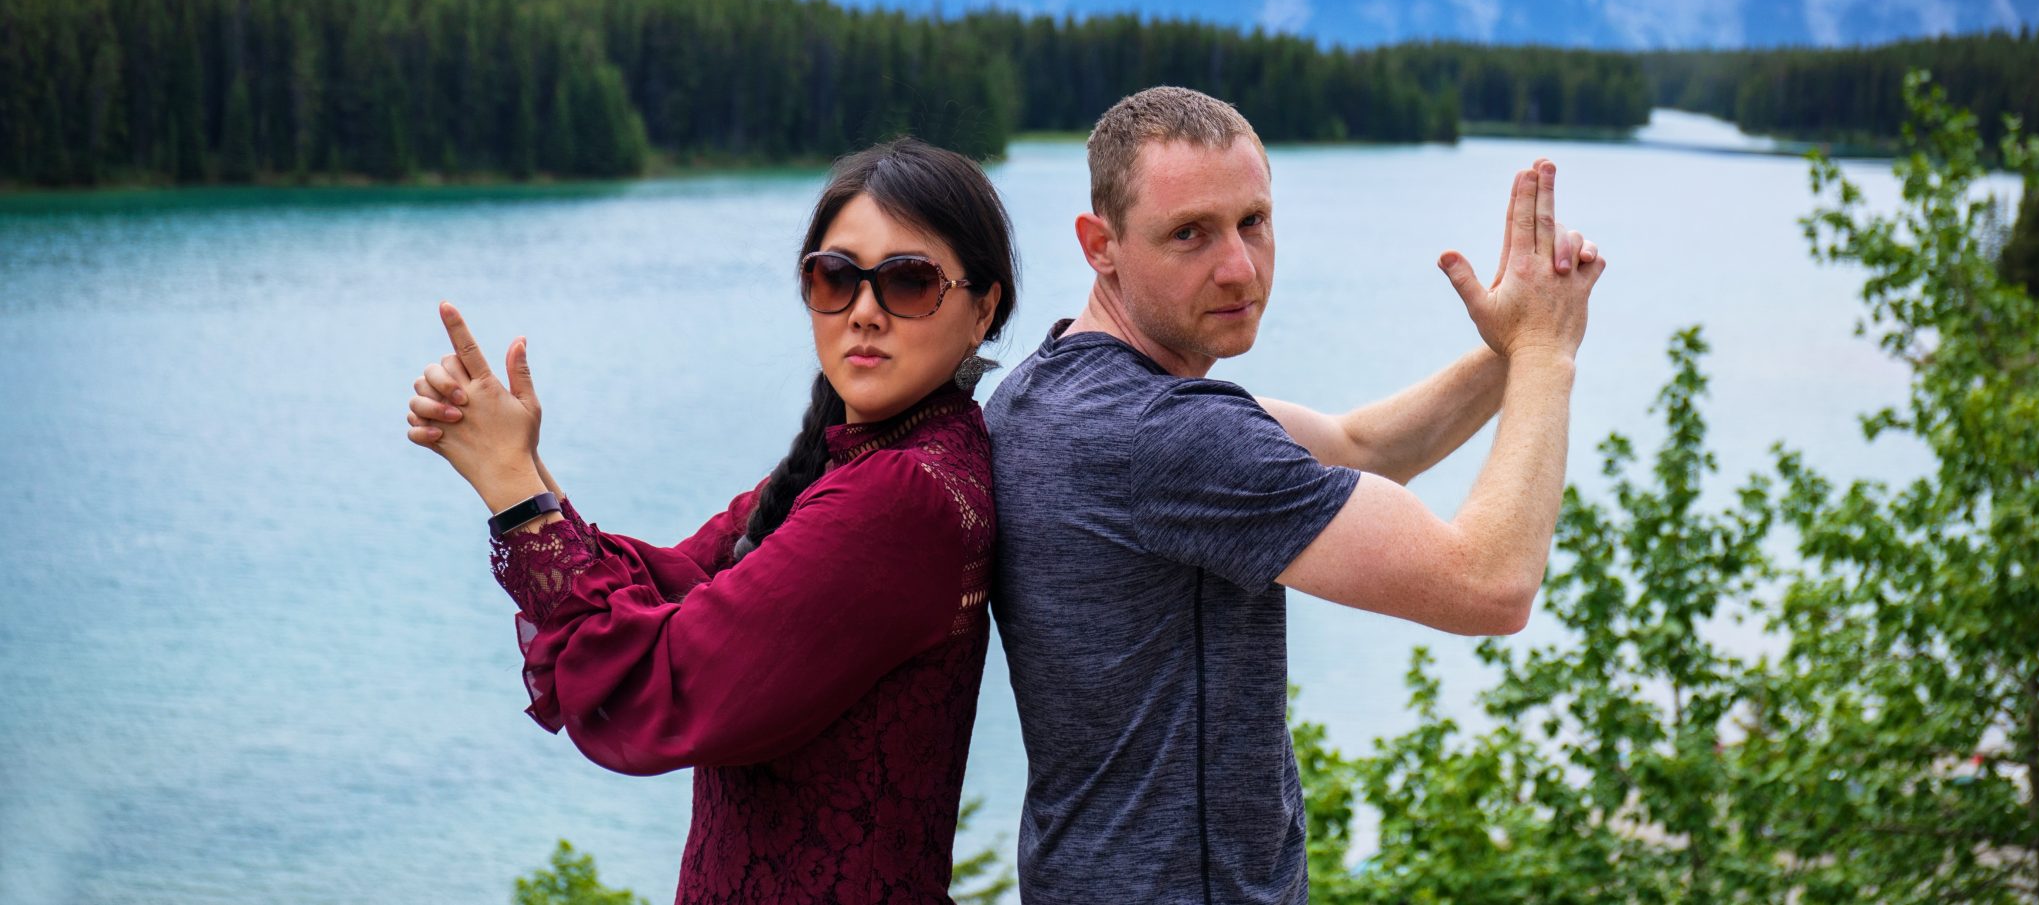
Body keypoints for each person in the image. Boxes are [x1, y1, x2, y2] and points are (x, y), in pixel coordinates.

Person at [984, 85, 1605, 904]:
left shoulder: (1050, 389)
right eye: (1189, 234)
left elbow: (1366, 449)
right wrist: (1548, 358)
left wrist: (1516, 340)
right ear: (1101, 244)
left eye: (1254, 221)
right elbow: (1490, 583)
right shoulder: (1168, 437)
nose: (1239, 266)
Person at [404, 137, 1019, 905]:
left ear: (982, 307)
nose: (864, 311)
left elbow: (661, 682)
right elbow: (668, 590)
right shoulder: (863, 463)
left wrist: (511, 489)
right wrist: (517, 462)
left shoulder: (902, 495)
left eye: (909, 280)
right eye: (834, 276)